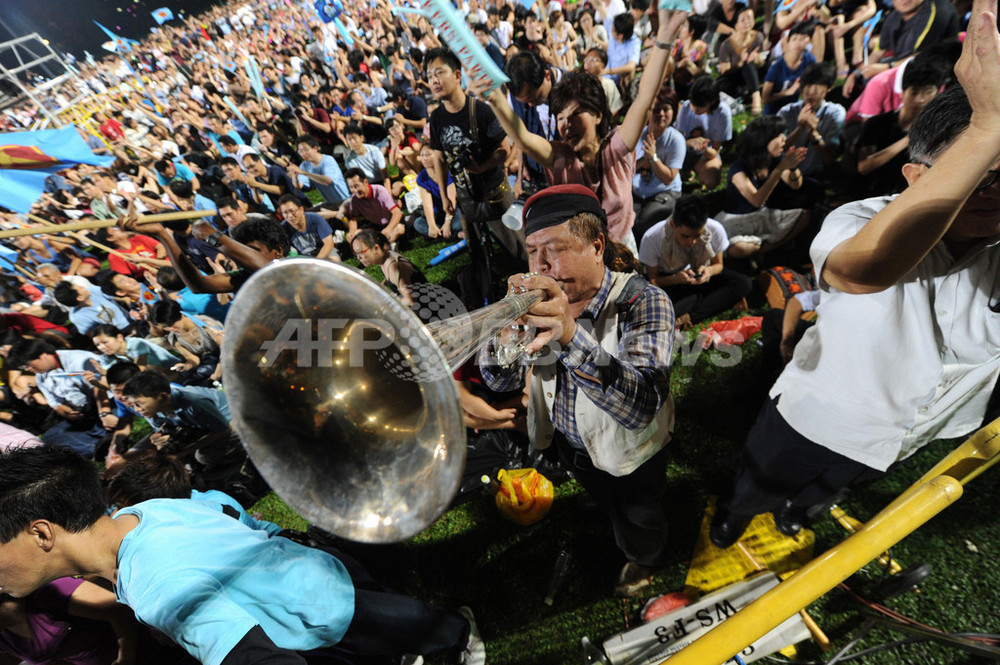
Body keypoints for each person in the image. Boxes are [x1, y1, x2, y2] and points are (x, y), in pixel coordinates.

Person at [709, 0, 1000, 549]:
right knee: (759, 478)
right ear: (916, 176)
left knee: (828, 489)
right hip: (817, 414)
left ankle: (799, 511)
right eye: (975, 176)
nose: (990, 194)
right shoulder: (861, 217)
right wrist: (988, 127)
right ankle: (735, 514)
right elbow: (864, 271)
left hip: (897, 438)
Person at [0, 445, 485, 665]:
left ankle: (462, 630)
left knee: (418, 625)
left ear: (41, 532)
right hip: (306, 590)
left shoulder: (158, 587)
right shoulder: (142, 513)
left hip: (320, 604)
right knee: (394, 631)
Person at [479, 184, 675, 597]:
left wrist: (568, 334)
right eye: (532, 251)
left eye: (556, 248)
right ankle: (613, 516)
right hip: (572, 444)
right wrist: (507, 338)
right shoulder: (543, 300)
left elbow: (641, 408)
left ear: (597, 246)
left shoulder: (644, 302)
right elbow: (499, 382)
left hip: (634, 452)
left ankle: (645, 558)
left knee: (641, 512)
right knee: (603, 495)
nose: (542, 266)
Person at [473, 0, 678, 255]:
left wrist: (665, 39)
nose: (566, 125)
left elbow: (645, 98)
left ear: (596, 114)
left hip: (622, 250)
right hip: (580, 257)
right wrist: (493, 97)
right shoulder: (560, 157)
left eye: (575, 115)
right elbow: (524, 140)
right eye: (560, 118)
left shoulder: (617, 147)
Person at [425, 47, 521, 305]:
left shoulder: (480, 110)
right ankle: (487, 299)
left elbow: (505, 149)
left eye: (439, 73)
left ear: (457, 75)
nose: (434, 80)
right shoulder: (436, 117)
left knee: (517, 249)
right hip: (466, 200)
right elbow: (439, 157)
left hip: (494, 194)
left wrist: (483, 166)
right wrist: (445, 195)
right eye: (429, 75)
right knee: (477, 255)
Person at [639, 194, 752, 326]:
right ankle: (710, 303)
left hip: (699, 277)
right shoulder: (653, 237)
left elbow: (719, 265)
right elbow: (653, 280)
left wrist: (708, 271)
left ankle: (690, 316)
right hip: (670, 281)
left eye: (697, 236)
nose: (691, 242)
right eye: (685, 236)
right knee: (661, 309)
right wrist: (676, 279)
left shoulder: (715, 229)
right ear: (673, 224)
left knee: (743, 283)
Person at [714, 115, 810, 260]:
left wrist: (793, 167)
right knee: (740, 248)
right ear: (764, 140)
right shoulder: (739, 168)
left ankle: (766, 249)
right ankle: (761, 248)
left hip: (762, 216)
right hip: (735, 221)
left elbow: (796, 185)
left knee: (804, 216)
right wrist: (779, 170)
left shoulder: (773, 160)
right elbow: (756, 200)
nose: (784, 139)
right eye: (779, 135)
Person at [632, 87, 686, 244]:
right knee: (626, 220)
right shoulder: (637, 135)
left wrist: (654, 158)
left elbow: (668, 178)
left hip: (666, 193)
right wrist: (645, 159)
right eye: (656, 109)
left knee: (644, 223)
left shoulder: (676, 140)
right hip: (637, 192)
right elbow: (627, 170)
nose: (661, 114)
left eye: (666, 109)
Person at [351, 229, 428, 307]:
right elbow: (391, 280)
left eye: (360, 252)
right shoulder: (384, 259)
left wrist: (384, 306)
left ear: (376, 248)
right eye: (356, 254)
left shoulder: (394, 266)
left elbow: (410, 300)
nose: (358, 258)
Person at [716, 6, 766, 115]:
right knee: (744, 65)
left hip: (751, 75)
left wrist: (757, 60)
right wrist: (740, 63)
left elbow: (761, 62)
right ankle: (747, 95)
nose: (746, 22)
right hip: (733, 78)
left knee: (749, 65)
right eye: (743, 20)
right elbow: (724, 71)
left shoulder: (758, 37)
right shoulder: (726, 44)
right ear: (736, 25)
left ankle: (755, 97)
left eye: (749, 18)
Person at [288, 135, 350, 205]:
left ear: (315, 148)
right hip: (331, 203)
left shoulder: (328, 160)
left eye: (305, 150)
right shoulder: (304, 165)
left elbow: (328, 181)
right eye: (300, 151)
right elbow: (299, 186)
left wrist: (304, 173)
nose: (303, 154)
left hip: (345, 199)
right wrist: (294, 175)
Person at [277, 195, 338, 261]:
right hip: (303, 258)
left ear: (301, 209)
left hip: (323, 252)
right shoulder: (283, 229)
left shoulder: (315, 219)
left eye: (292, 211)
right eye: (285, 213)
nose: (290, 216)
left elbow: (329, 244)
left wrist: (315, 262)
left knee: (334, 259)